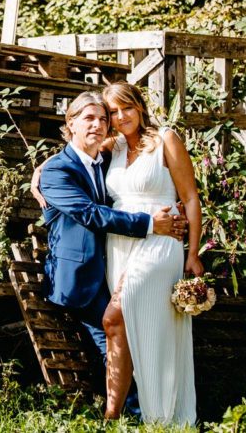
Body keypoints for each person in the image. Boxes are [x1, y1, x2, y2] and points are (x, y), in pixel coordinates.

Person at [35, 91, 187, 408]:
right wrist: (148, 223)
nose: (98, 124)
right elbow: (91, 214)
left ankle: (152, 407)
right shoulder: (57, 172)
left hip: (120, 262)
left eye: (103, 118)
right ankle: (133, 412)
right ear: (71, 123)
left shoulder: (107, 159)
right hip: (81, 276)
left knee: (142, 327)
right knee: (116, 333)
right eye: (88, 118)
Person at [101, 81, 202, 424]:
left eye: (125, 108)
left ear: (139, 107)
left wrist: (193, 252)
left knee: (114, 316)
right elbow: (75, 148)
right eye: (113, 112)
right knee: (134, 325)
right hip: (121, 243)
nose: (120, 117)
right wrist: (39, 172)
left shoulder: (165, 140)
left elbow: (190, 197)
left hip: (160, 242)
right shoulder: (112, 147)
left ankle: (153, 413)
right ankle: (134, 414)